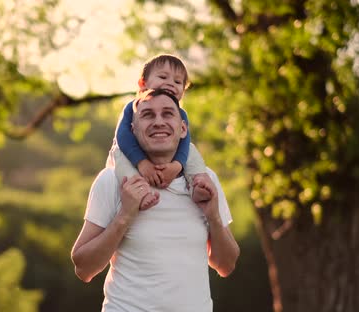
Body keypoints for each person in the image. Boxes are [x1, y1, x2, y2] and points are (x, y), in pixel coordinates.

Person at [72, 88, 240, 312]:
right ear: (133, 129)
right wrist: (125, 216)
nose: (158, 121)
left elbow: (226, 265)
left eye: (168, 113)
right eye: (148, 115)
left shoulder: (205, 181)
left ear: (183, 129)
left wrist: (214, 217)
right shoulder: (111, 181)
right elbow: (83, 268)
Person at [106, 54, 212, 210]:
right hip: (129, 155)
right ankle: (139, 193)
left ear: (183, 90)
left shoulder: (180, 114)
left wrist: (177, 165)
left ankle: (198, 185)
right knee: (118, 153)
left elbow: (184, 143)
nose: (170, 84)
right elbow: (123, 137)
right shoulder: (133, 107)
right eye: (163, 77)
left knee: (192, 150)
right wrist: (142, 163)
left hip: (166, 159)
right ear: (143, 83)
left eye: (177, 82)